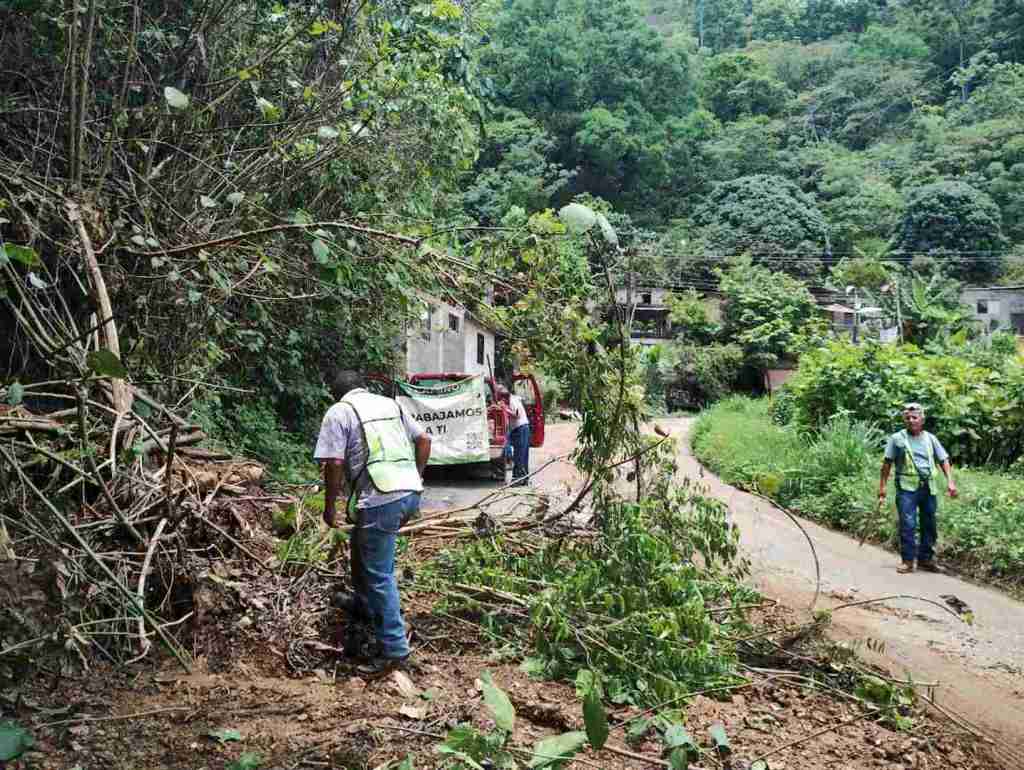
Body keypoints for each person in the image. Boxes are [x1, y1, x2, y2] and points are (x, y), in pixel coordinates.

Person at [315, 370, 431, 675]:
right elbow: (424, 440)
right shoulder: (389, 404)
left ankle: (394, 650)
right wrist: (415, 477)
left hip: (382, 498)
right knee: (361, 547)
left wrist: (330, 507)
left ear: (336, 393)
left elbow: (334, 463)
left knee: (379, 574)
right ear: (363, 387)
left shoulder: (340, 411)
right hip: (409, 493)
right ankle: (365, 608)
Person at [878, 402, 957, 574]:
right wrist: (882, 487)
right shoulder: (897, 439)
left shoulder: (930, 438)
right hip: (906, 488)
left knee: (929, 524)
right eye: (908, 418)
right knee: (908, 523)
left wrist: (950, 482)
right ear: (904, 420)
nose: (911, 420)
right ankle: (907, 561)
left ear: (922, 419)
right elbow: (887, 464)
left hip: (928, 487)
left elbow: (943, 460)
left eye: (915, 417)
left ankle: (925, 559)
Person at [500, 384, 531, 486]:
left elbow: (517, 415)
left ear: (504, 397)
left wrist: (505, 409)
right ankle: (524, 478)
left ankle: (519, 479)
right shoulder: (511, 400)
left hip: (521, 429)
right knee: (522, 454)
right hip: (518, 429)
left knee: (520, 455)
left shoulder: (513, 401)